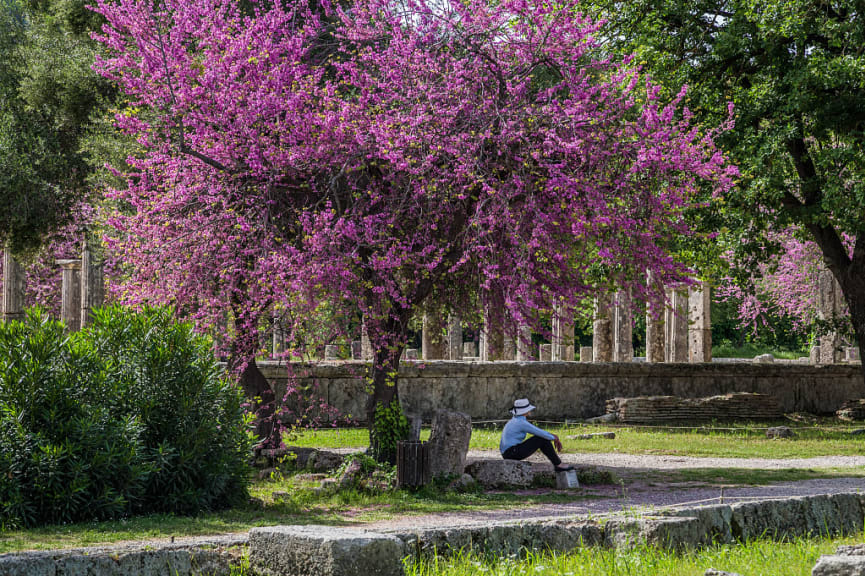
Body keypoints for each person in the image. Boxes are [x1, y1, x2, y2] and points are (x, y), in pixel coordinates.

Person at [500, 398, 574, 472]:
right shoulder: (521, 423)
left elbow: (539, 431)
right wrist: (554, 438)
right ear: (526, 411)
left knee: (542, 438)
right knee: (541, 439)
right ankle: (558, 464)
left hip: (508, 453)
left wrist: (552, 436)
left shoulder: (514, 420)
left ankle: (558, 464)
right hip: (512, 453)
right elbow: (539, 433)